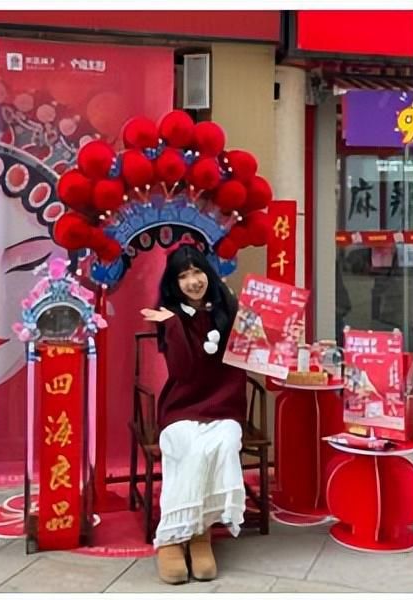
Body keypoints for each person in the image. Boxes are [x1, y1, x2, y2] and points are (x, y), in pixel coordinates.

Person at [141, 241, 247, 585]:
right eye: (183, 276)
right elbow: (184, 372)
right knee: (189, 445)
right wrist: (173, 324)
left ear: (208, 273)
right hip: (181, 409)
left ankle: (200, 532)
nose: (193, 281)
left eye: (197, 271)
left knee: (224, 443)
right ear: (175, 283)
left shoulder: (228, 308)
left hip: (224, 408)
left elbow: (254, 351)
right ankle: (173, 537)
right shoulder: (172, 316)